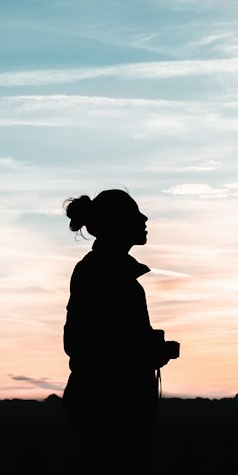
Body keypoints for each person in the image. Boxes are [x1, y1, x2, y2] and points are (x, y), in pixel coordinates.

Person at [62, 189, 179, 450]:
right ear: (117, 224)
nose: (145, 218)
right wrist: (148, 352)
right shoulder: (101, 272)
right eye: (135, 213)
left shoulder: (105, 270)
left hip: (103, 403)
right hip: (108, 407)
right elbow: (84, 344)